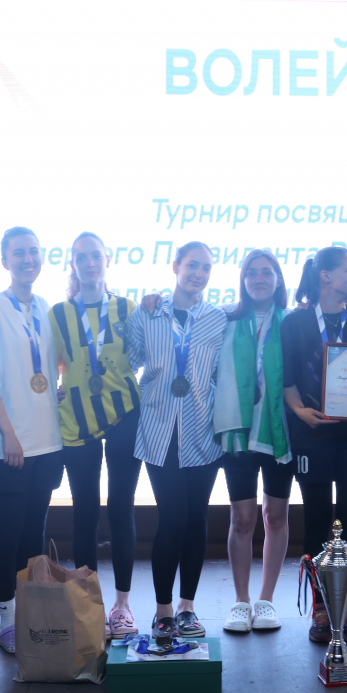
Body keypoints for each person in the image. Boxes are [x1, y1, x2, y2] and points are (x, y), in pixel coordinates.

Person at [0, 227, 64, 655]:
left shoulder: (45, 307)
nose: (28, 259)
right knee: (7, 531)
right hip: (9, 441)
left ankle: (29, 612)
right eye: (19, 253)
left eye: (34, 252)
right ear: (5, 260)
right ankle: (7, 619)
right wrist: (8, 434)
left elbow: (48, 367)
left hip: (47, 440)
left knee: (34, 532)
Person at [282, 247, 347, 642]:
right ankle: (322, 607)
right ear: (325, 276)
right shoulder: (295, 322)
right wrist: (300, 412)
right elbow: (288, 379)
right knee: (317, 519)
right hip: (312, 434)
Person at [128, 241, 227, 639]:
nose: (198, 273)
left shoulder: (218, 319)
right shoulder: (148, 313)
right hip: (158, 430)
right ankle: (162, 609)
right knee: (172, 518)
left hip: (203, 431)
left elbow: (222, 373)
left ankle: (187, 608)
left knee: (197, 518)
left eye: (206, 267)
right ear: (176, 266)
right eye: (192, 265)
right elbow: (128, 361)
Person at [49, 233, 144, 639]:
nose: (90, 263)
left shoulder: (128, 308)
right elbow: (48, 367)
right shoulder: (57, 314)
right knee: (85, 511)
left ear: (108, 260)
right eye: (82, 257)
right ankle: (88, 606)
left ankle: (122, 606)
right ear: (72, 264)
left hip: (125, 416)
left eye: (96, 256)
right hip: (76, 422)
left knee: (121, 509)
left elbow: (145, 355)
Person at [215, 250, 293, 634]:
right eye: (252, 273)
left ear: (278, 279)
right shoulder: (225, 319)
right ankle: (241, 601)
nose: (259, 279)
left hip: (280, 432)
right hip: (239, 432)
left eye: (266, 272)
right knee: (243, 518)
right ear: (243, 280)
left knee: (275, 516)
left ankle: (265, 601)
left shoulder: (293, 322)